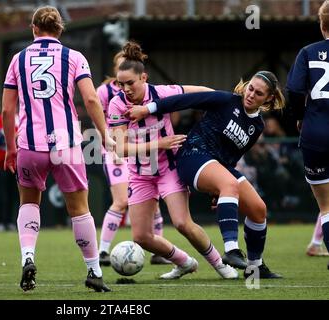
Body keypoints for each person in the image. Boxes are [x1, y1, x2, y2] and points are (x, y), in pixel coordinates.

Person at [127, 70, 286, 279]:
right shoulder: (226, 100)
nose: (251, 94)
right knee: (229, 184)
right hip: (192, 155)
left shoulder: (257, 126)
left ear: (269, 99)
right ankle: (231, 251)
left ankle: (254, 268)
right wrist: (147, 109)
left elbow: (231, 157)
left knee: (258, 209)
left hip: (219, 166)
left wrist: (219, 189)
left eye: (258, 94)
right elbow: (184, 101)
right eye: (250, 88)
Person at [2, 6, 113, 292]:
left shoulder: (18, 59)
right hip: (66, 144)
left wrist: (11, 148)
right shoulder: (74, 57)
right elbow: (90, 99)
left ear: (33, 29)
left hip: (29, 143)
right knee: (79, 209)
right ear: (60, 29)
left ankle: (28, 257)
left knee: (29, 203)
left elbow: (6, 108)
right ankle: (94, 271)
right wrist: (105, 134)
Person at [108, 41, 238, 280]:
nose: (125, 88)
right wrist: (161, 143)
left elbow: (200, 92)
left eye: (130, 83)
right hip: (140, 175)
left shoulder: (162, 93)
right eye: (120, 83)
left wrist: (229, 101)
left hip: (170, 169)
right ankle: (185, 262)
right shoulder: (116, 104)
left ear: (144, 78)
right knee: (141, 236)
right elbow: (122, 150)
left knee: (181, 223)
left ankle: (221, 265)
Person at [97, 50, 170, 266]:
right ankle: (102, 252)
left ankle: (160, 252)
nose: (126, 86)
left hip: (142, 151)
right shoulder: (104, 91)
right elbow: (98, 119)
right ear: (116, 70)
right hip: (116, 150)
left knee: (154, 204)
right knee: (120, 201)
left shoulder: (145, 91)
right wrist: (110, 146)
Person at [286, 0, 329, 268]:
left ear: (322, 24)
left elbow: (293, 91)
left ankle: (319, 243)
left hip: (316, 134)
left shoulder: (308, 52)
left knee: (325, 206)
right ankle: (315, 244)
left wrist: (300, 119)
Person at [0, 113, 19, 231]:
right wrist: (10, 138)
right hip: (1, 163)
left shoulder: (19, 119)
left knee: (14, 194)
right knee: (1, 193)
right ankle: (0, 221)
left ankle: (11, 221)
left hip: (16, 164)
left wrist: (17, 138)